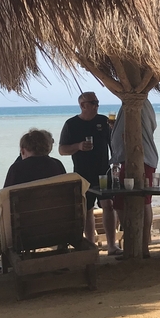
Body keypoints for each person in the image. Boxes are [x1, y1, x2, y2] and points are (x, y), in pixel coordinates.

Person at [0, 129, 66, 283]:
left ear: (23, 150)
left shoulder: (17, 169)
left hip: (24, 230)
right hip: (56, 225)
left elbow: (4, 201)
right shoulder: (57, 165)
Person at [58, 91, 111, 245]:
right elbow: (62, 150)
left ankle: (112, 244)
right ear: (83, 105)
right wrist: (79, 146)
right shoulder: (71, 124)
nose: (96, 106)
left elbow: (114, 144)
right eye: (93, 103)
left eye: (97, 102)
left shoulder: (104, 121)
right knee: (87, 209)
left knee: (108, 205)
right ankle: (90, 244)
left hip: (104, 170)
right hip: (82, 172)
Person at [109, 99, 158, 257]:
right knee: (136, 199)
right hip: (134, 158)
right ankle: (138, 244)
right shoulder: (135, 104)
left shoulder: (136, 103)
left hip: (138, 159)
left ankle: (139, 244)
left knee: (137, 199)